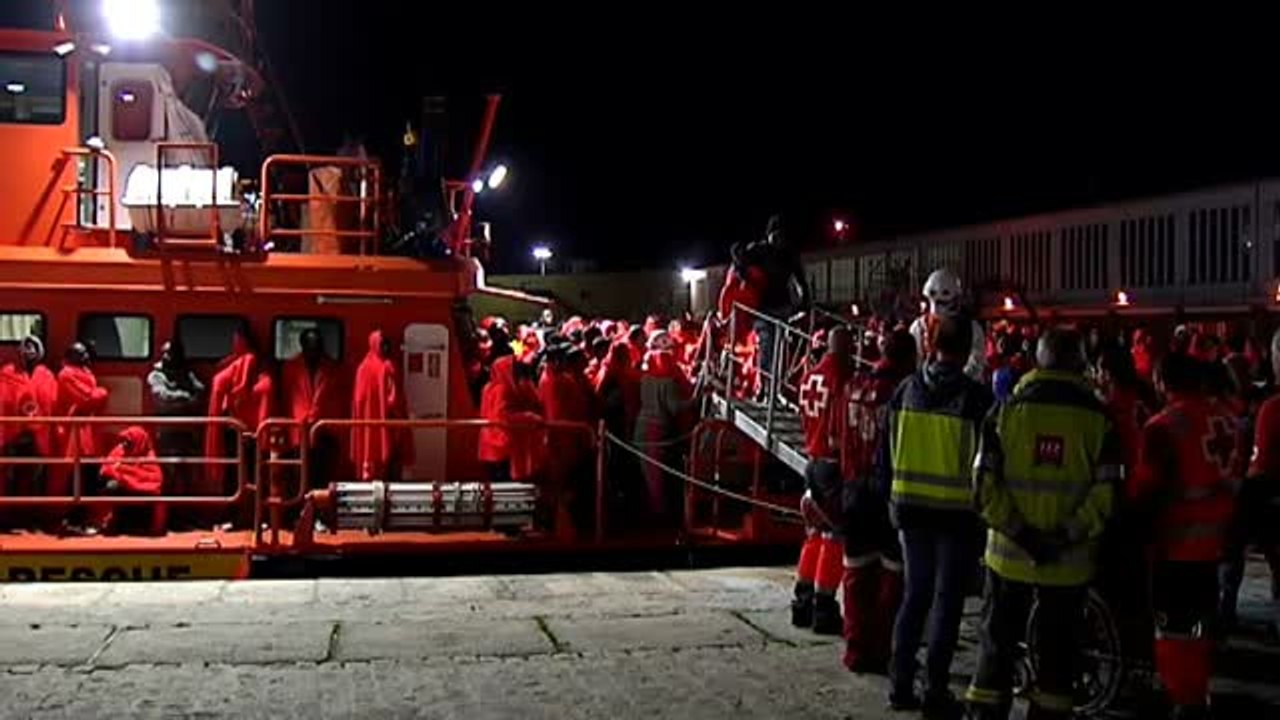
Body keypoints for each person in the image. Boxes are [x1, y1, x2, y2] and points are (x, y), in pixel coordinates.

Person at [966, 328, 1123, 720]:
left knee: (996, 649)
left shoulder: (1003, 412)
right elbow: (1107, 495)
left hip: (1008, 558)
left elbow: (983, 489)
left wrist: (1022, 533)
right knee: (1058, 659)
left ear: (1038, 361)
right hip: (1068, 567)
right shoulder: (1100, 420)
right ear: (1078, 364)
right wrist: (1065, 536)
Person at [880, 317, 993, 717]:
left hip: (909, 510)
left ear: (931, 345)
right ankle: (936, 690)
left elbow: (885, 454)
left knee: (914, 597)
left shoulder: (904, 391)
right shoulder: (977, 399)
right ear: (966, 351)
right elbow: (988, 466)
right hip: (955, 516)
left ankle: (899, 685)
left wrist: (891, 501)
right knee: (946, 603)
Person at [1131, 352, 1244, 719]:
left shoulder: (1162, 427)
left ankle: (1183, 697)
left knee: (1172, 630)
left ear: (1163, 381)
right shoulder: (1226, 421)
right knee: (1199, 628)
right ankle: (1198, 690)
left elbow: (1147, 492)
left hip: (1175, 548)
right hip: (1216, 545)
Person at [841, 328, 917, 674]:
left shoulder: (853, 386)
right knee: (892, 577)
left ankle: (856, 649)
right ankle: (883, 648)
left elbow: (840, 437)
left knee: (856, 574)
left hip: (853, 489)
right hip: (887, 491)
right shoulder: (904, 393)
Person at [791, 326, 855, 635]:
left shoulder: (809, 376)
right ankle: (824, 607)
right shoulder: (841, 378)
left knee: (814, 533)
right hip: (832, 464)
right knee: (834, 536)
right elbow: (842, 425)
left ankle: (802, 601)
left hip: (811, 459)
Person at [203, 325, 273, 499]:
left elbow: (220, 386)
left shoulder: (234, 366)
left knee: (238, 472)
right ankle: (253, 515)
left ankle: (237, 516)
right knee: (251, 472)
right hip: (253, 431)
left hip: (239, 429)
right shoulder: (255, 367)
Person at [634, 331, 695, 525]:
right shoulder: (668, 383)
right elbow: (675, 408)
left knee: (648, 478)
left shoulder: (645, 379)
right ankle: (659, 521)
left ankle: (651, 515)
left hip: (641, 428)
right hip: (657, 432)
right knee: (656, 481)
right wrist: (696, 400)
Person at [52, 342, 110, 529]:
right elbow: (87, 399)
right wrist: (102, 392)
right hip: (76, 434)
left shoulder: (84, 372)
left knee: (89, 475)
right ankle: (72, 520)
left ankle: (85, 517)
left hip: (88, 431)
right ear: (71, 356)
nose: (86, 355)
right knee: (78, 476)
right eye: (81, 353)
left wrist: (97, 395)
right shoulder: (66, 374)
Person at [281, 328, 345, 488]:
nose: (315, 349)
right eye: (311, 345)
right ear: (303, 346)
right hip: (299, 432)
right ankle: (300, 509)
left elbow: (334, 399)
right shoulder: (291, 368)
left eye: (318, 345)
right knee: (299, 478)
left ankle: (321, 511)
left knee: (323, 477)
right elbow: (288, 398)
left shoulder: (332, 369)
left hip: (325, 432)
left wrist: (316, 416)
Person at [0, 336, 58, 510]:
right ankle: (8, 512)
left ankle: (32, 512)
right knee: (10, 474)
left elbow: (52, 400)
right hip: (13, 433)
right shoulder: (8, 373)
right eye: (25, 348)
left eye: (33, 347)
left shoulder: (46, 375)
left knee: (36, 474)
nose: (28, 351)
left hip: (38, 434)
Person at [351, 329, 412, 481]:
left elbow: (359, 401)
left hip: (368, 427)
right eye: (383, 345)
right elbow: (394, 400)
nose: (386, 349)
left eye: (387, 345)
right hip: (389, 427)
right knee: (391, 465)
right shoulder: (388, 367)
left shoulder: (362, 368)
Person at [478, 355, 544, 484]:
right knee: (507, 488)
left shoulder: (488, 388)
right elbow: (504, 417)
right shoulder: (504, 390)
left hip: (489, 447)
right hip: (502, 448)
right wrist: (529, 417)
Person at [93, 426, 165, 535]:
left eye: (128, 441)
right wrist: (126, 477)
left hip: (141, 493)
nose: (124, 444)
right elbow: (106, 469)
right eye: (124, 441)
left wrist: (124, 471)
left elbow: (155, 480)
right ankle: (113, 524)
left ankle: (142, 527)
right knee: (111, 486)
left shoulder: (148, 455)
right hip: (123, 489)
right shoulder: (120, 449)